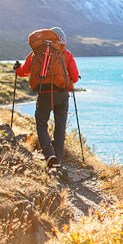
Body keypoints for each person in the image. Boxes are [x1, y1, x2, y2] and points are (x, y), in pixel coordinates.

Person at [14, 27, 79, 168]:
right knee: (60, 127)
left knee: (41, 125)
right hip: (62, 95)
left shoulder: (36, 54)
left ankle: (50, 155)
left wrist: (17, 69)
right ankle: (58, 160)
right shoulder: (66, 54)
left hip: (44, 95)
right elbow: (74, 77)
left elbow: (23, 72)